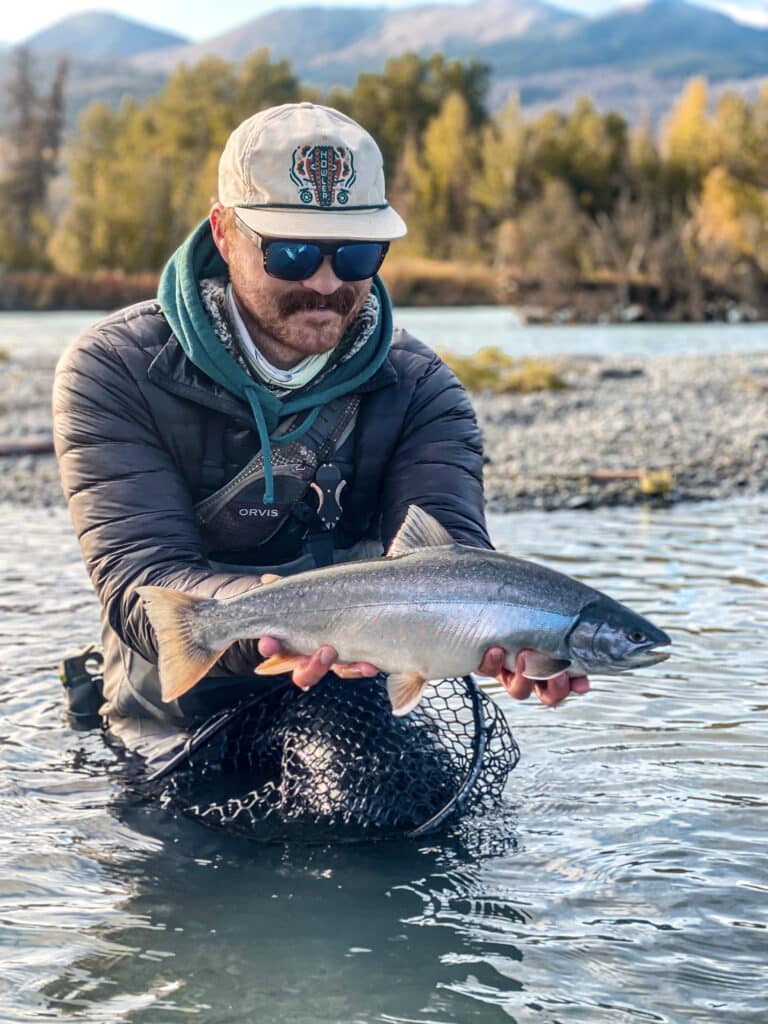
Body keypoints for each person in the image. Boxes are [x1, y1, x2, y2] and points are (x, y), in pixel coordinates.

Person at [53, 102, 588, 766]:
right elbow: (142, 578)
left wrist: (501, 636)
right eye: (292, 252)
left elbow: (450, 555)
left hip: (354, 692)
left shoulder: (424, 388)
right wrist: (278, 622)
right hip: (172, 707)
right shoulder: (117, 369)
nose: (326, 281)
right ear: (223, 233)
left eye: (358, 253)